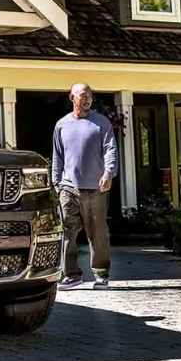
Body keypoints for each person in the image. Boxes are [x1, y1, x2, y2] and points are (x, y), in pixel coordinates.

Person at [52, 83, 117, 290]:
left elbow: (110, 150)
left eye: (90, 95)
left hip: (95, 189)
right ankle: (71, 275)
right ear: (72, 97)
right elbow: (57, 156)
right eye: (83, 95)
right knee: (67, 232)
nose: (87, 98)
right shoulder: (62, 125)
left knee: (97, 232)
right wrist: (56, 182)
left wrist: (109, 172)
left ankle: (101, 274)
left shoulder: (101, 123)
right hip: (68, 188)